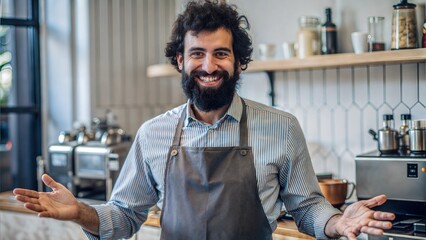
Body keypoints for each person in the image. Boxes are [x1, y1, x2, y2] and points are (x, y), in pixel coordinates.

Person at [13, 1, 395, 239]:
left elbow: (308, 207)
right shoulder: (154, 134)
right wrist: (81, 212)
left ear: (239, 61)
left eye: (221, 54)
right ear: (180, 60)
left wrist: (339, 222)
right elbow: (126, 216)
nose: (209, 66)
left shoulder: (282, 127)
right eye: (197, 53)